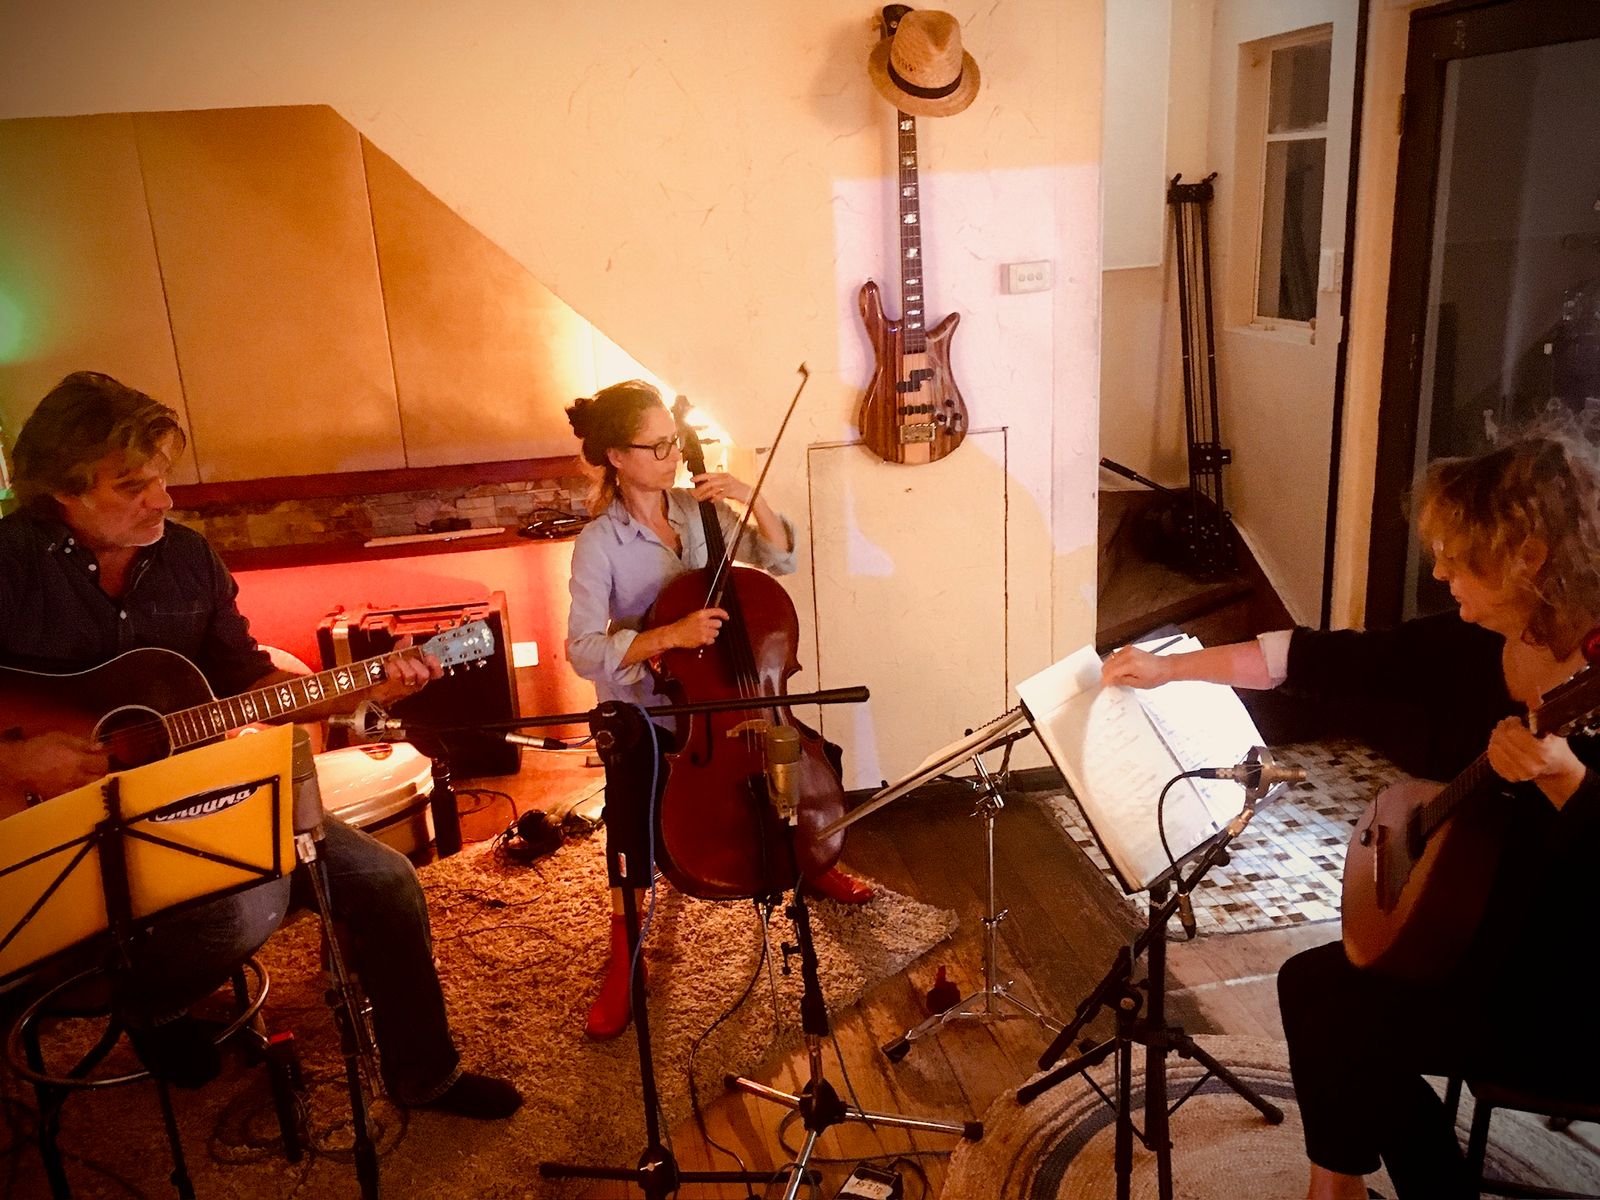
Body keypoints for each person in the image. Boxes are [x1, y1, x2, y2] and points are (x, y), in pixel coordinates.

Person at [0, 371, 521, 1119]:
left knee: (386, 882)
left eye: (162, 477)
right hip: (50, 831)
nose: (163, 500)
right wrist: (15, 757)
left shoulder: (188, 559)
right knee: (244, 910)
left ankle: (424, 1075)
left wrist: (371, 685)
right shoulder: (8, 565)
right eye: (133, 486)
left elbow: (251, 684)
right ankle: (151, 1006)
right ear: (61, 490)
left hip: (194, 798)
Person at [1102, 434, 1600, 1200]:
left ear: (1528, 558)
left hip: (1569, 990)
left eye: (1458, 558)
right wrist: (1168, 667)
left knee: (1349, 1021)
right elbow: (1312, 658)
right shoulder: (1474, 644)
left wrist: (1566, 777)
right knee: (1318, 989)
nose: (1440, 573)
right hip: (1482, 935)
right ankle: (1337, 1187)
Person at [564, 380, 873, 1040]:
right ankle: (625, 953)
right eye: (657, 446)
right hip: (651, 707)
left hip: (734, 694)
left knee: (816, 755)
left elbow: (779, 557)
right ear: (617, 456)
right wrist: (668, 636)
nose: (673, 456)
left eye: (674, 442)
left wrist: (749, 497)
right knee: (630, 817)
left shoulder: (697, 510)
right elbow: (583, 650)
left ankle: (813, 860)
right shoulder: (599, 542)